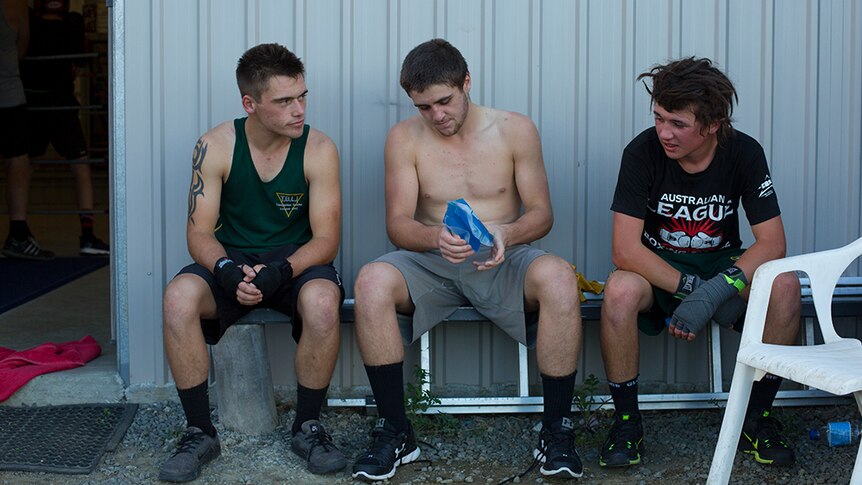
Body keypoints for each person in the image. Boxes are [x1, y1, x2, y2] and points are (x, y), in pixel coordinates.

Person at [351, 38, 584, 482]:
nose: (437, 116)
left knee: (558, 277)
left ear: (466, 83)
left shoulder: (515, 129)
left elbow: (542, 214)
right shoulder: (403, 138)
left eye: (444, 101)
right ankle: (395, 432)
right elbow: (398, 224)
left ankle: (557, 432)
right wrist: (434, 236)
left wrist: (507, 232)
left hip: (503, 256)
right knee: (370, 281)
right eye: (424, 107)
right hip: (433, 261)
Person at [599, 57, 801, 469]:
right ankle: (626, 424)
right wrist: (693, 292)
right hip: (657, 266)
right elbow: (625, 249)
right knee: (619, 289)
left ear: (712, 126)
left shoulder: (743, 152)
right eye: (658, 118)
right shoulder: (642, 152)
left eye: (677, 123)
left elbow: (773, 242)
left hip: (721, 265)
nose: (664, 133)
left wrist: (715, 290)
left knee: (785, 285)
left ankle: (756, 421)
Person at [158, 43, 346, 482]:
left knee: (322, 302)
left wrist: (281, 270)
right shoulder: (215, 145)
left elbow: (327, 240)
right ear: (251, 104)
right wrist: (224, 270)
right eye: (284, 101)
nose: (299, 110)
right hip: (233, 261)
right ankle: (199, 433)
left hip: (294, 265)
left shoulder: (319, 148)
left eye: (302, 96)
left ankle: (308, 426)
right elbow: (198, 232)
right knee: (178, 298)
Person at [19, 0, 109, 256]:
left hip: (54, 103)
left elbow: (78, 60)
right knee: (25, 166)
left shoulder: (71, 22)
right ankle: (20, 232)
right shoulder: (33, 19)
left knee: (78, 165)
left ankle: (87, 235)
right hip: (40, 103)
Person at [1, 0, 54, 260]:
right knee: (17, 160)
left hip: (9, 94)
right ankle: (18, 234)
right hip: (8, 92)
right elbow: (21, 49)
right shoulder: (15, 6)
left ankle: (19, 236)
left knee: (18, 160)